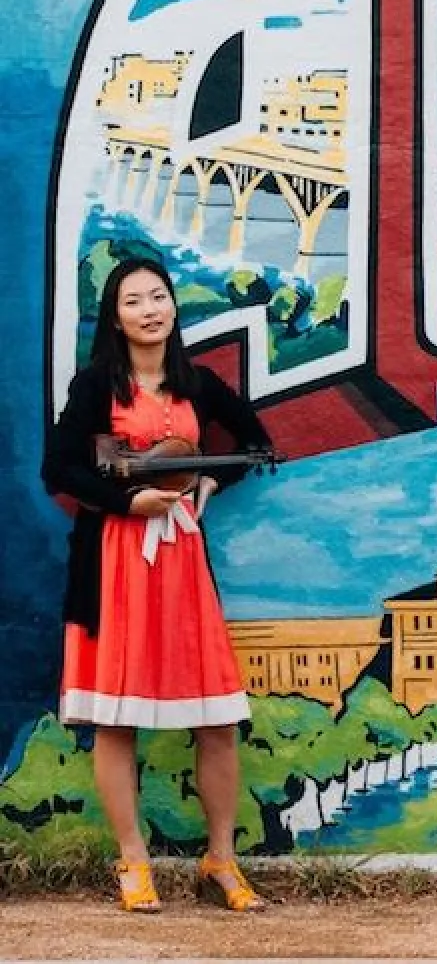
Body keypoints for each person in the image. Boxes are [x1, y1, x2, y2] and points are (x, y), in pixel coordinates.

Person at [40, 256, 272, 913]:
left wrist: (207, 481)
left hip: (182, 563)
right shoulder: (94, 388)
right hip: (115, 559)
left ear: (174, 307)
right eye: (135, 300)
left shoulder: (196, 384)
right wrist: (126, 502)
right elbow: (57, 469)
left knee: (218, 716)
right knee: (117, 720)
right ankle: (133, 860)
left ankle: (220, 860)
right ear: (115, 317)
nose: (151, 309)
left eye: (159, 296)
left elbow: (253, 442)